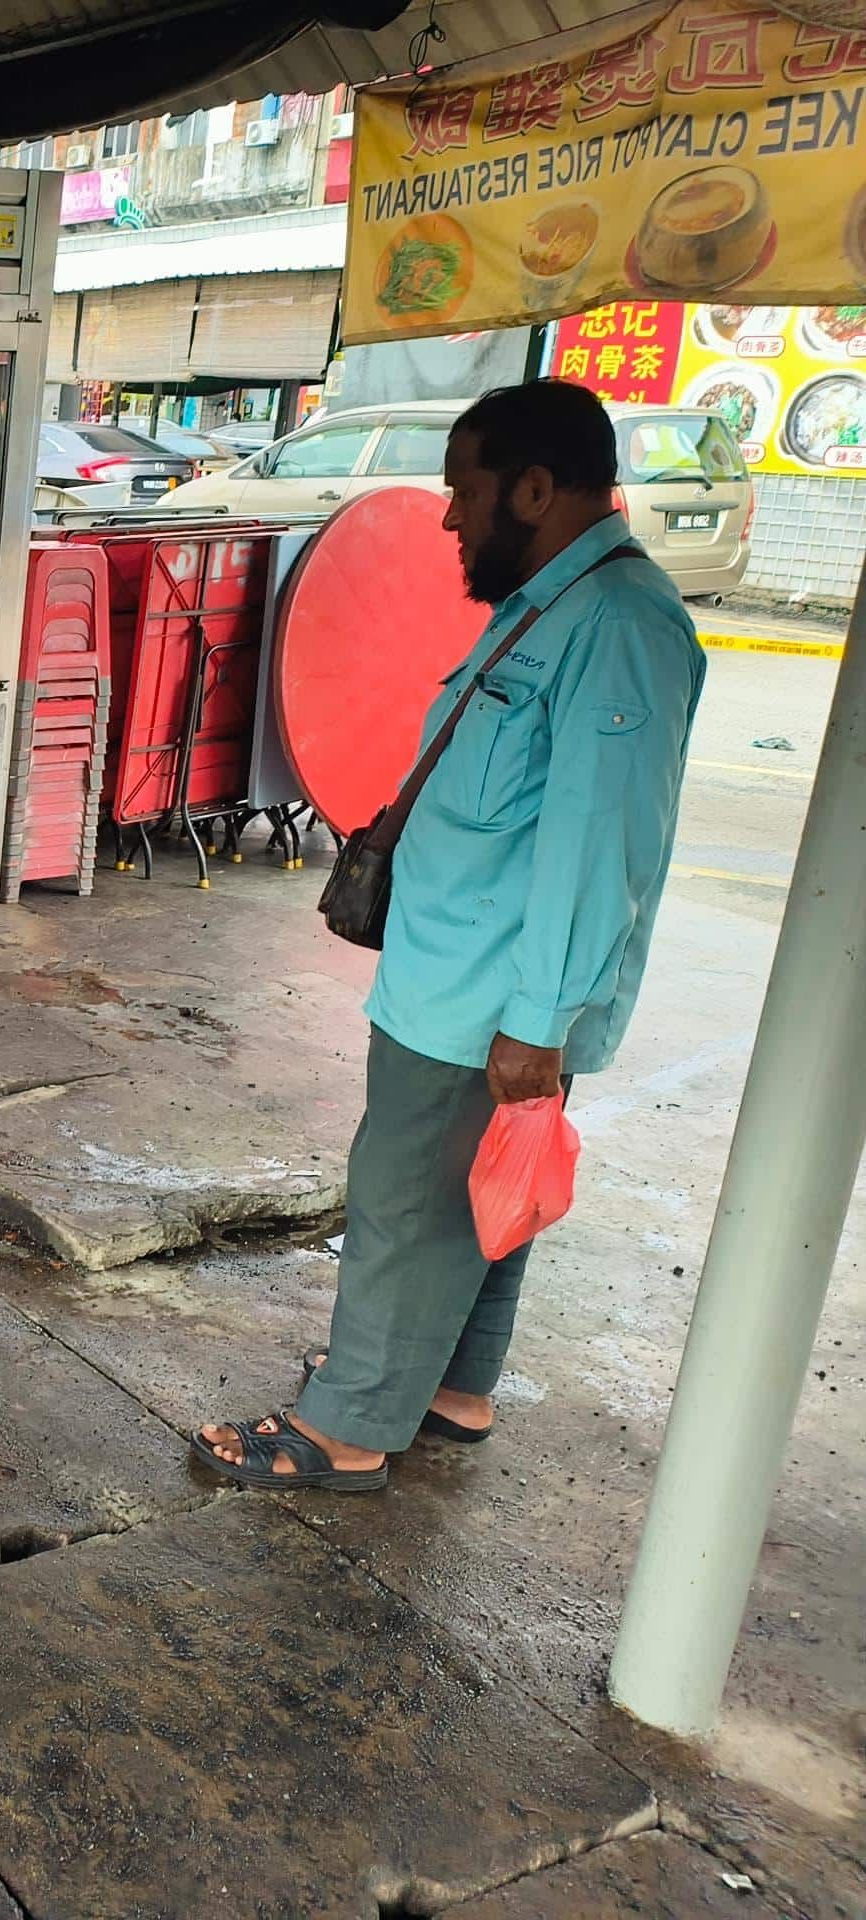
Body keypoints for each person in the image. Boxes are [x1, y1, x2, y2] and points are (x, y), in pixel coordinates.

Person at [194, 380, 704, 1492]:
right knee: (481, 1196)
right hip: (462, 983)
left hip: (488, 1004)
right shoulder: (549, 605)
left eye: (464, 492)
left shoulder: (619, 626)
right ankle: (446, 1385)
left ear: (534, 487)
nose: (448, 517)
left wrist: (538, 1023)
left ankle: (348, 1428)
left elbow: (596, 843)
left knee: (406, 1203)